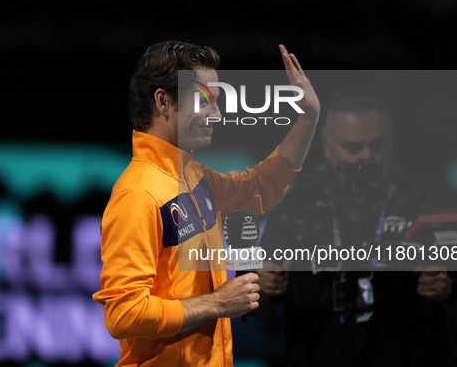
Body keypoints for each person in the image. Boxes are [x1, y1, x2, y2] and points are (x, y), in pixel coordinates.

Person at [92, 40, 320, 366]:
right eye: (204, 100)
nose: (217, 113)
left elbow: (260, 186)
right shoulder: (138, 194)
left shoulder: (192, 176)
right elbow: (124, 314)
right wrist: (217, 304)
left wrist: (307, 119)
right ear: (163, 101)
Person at [256, 92, 457, 367]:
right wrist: (262, 288)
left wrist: (450, 292)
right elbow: (261, 308)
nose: (367, 157)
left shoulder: (426, 199)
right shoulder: (300, 203)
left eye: (376, 145)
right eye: (353, 147)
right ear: (327, 146)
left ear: (393, 142)